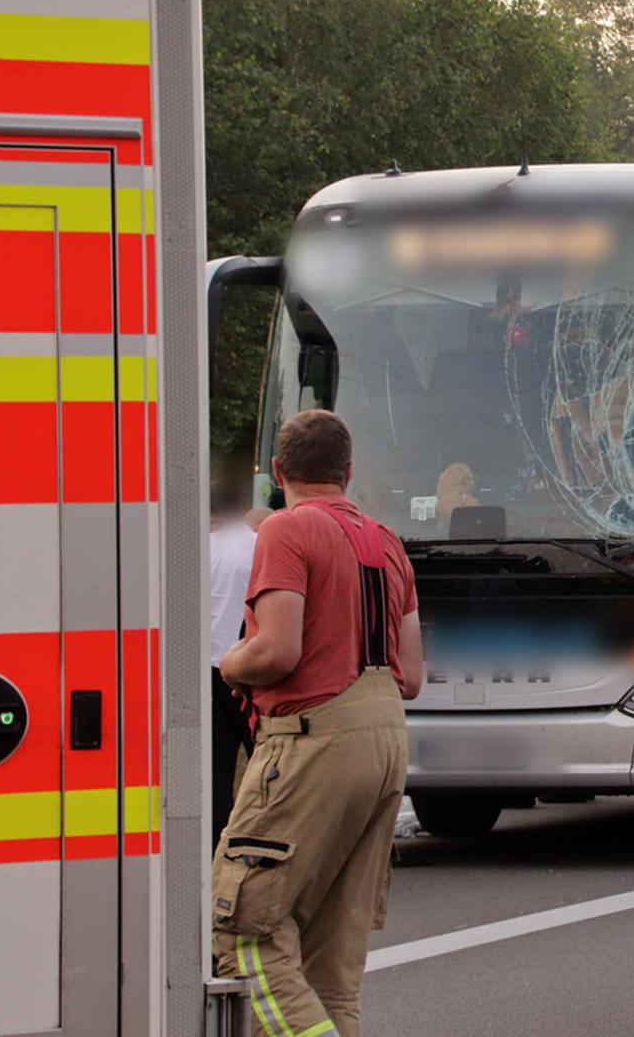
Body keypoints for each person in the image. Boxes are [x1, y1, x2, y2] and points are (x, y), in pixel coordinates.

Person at [213, 410, 424, 1037]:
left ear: (278, 471)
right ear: (348, 472)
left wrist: (231, 662)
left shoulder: (287, 528)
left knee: (245, 931)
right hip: (384, 741)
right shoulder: (386, 542)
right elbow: (412, 674)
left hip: (313, 740)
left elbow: (277, 652)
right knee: (330, 961)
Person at [207, 479, 259, 847]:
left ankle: (215, 850)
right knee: (265, 763)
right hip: (253, 670)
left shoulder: (194, 549)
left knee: (216, 771)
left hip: (208, 672)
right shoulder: (258, 544)